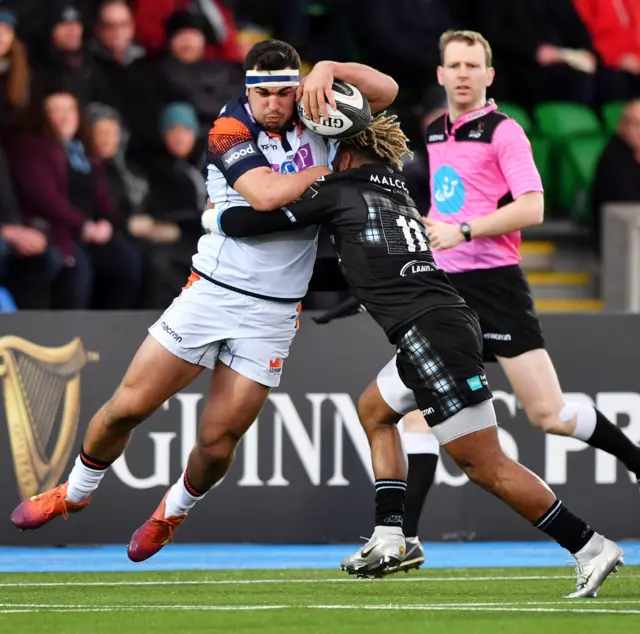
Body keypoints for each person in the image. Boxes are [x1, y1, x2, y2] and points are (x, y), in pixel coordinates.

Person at [200, 113, 624, 599]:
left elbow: (259, 218)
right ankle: (390, 536)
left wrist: (213, 216)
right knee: (374, 410)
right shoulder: (396, 193)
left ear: (343, 152)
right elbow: (357, 264)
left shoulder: (338, 190)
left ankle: (588, 546)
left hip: (432, 333)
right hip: (439, 323)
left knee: (486, 466)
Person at [10, 39, 398, 563]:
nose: (275, 104)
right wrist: (334, 177)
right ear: (248, 90)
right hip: (213, 292)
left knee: (219, 441)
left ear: (298, 85)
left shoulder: (316, 107)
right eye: (264, 94)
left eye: (286, 91)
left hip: (275, 310)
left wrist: (329, 67)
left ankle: (171, 512)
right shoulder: (228, 127)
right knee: (128, 407)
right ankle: (73, 493)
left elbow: (388, 91)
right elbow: (263, 195)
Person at [327, 29, 640, 576]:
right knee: (415, 420)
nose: (465, 73)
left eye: (474, 64)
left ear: (490, 75)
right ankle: (404, 538)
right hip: (445, 290)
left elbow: (534, 207)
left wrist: (463, 230)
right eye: (455, 65)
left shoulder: (505, 131)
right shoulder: (434, 132)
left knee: (551, 413)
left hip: (495, 286)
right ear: (442, 75)